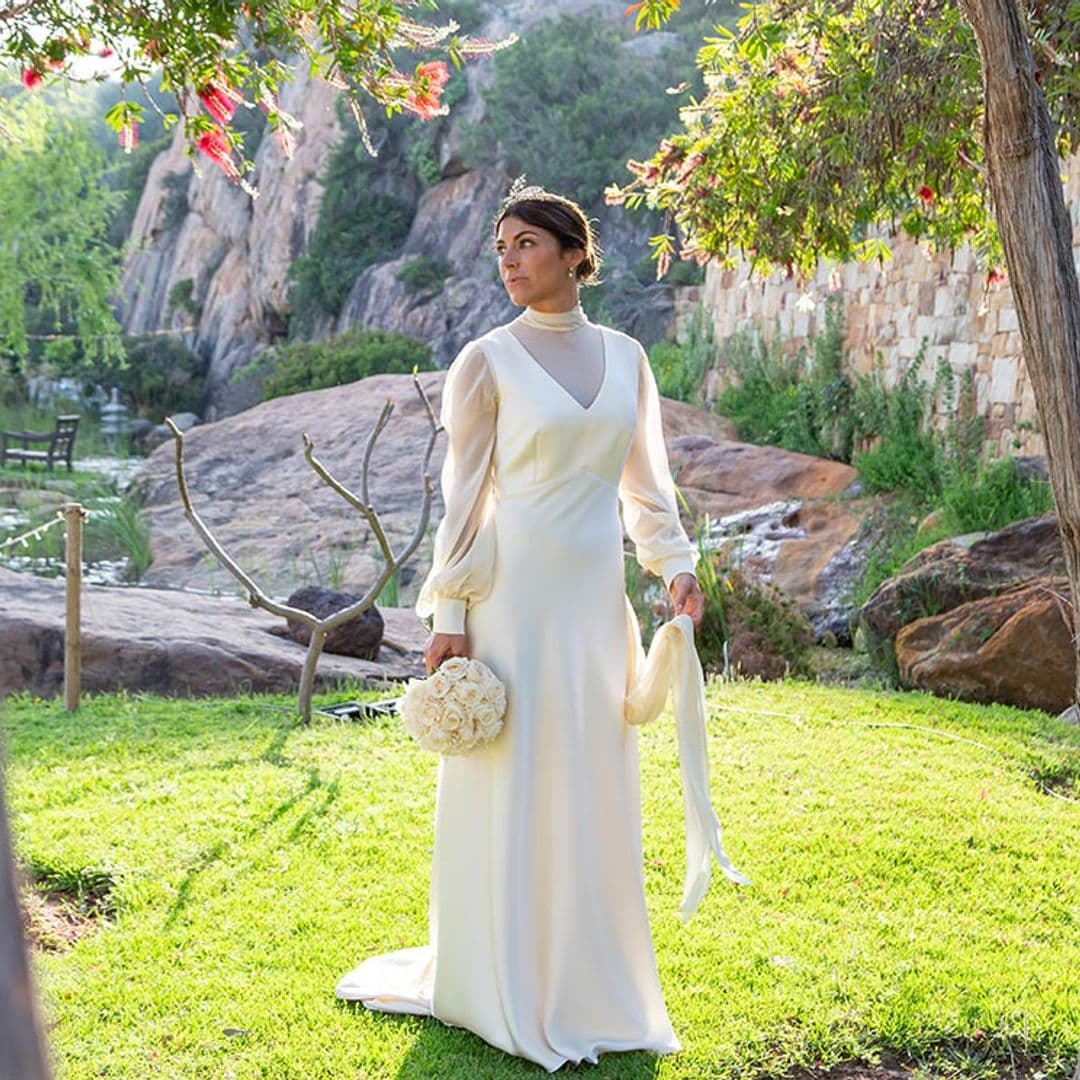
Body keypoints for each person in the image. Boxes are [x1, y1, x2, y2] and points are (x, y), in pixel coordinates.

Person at [334, 180, 747, 1072]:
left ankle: (593, 981)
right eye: (502, 247)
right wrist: (448, 614)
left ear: (573, 252)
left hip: (593, 605)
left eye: (526, 243)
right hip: (512, 600)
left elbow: (646, 487)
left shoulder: (629, 357)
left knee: (592, 779)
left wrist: (675, 568)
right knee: (514, 781)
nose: (511, 261)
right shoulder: (486, 358)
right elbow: (463, 498)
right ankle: (501, 981)